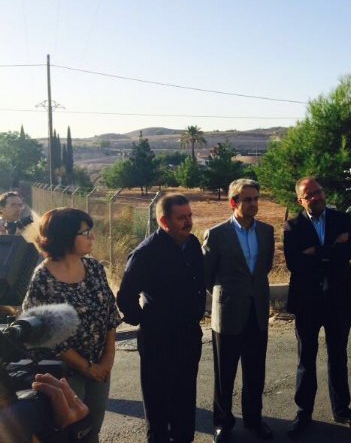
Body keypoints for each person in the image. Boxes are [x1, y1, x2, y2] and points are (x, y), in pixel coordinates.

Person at [22, 207, 121, 443]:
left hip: (99, 367)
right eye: (85, 233)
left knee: (91, 430)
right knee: (70, 434)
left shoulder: (94, 268)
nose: (92, 237)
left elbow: (109, 314)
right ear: (65, 237)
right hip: (64, 372)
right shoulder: (43, 278)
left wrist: (107, 360)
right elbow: (45, 335)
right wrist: (86, 367)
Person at [117, 193, 205, 443]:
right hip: (159, 339)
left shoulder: (192, 244)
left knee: (185, 397)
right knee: (158, 405)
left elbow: (198, 282)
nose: (188, 222)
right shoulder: (146, 253)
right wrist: (147, 319)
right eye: (181, 218)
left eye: (189, 215)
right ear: (164, 222)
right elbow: (125, 297)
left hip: (189, 335)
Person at [283, 177, 351, 439]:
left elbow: (348, 253)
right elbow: (294, 263)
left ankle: (342, 409)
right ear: (300, 200)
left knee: (338, 356)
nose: (316, 197)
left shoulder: (342, 219)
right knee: (306, 359)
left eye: (318, 192)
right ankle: (303, 412)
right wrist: (330, 249)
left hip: (338, 299)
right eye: (309, 195)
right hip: (307, 302)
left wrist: (315, 252)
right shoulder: (292, 226)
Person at [202, 179, 275, 442]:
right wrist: (228, 296)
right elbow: (207, 275)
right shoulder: (217, 233)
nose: (254, 203)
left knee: (256, 372)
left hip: (257, 312)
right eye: (248, 199)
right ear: (234, 202)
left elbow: (263, 269)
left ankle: (254, 420)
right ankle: (222, 422)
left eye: (256, 198)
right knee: (225, 374)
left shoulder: (267, 231)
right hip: (228, 314)